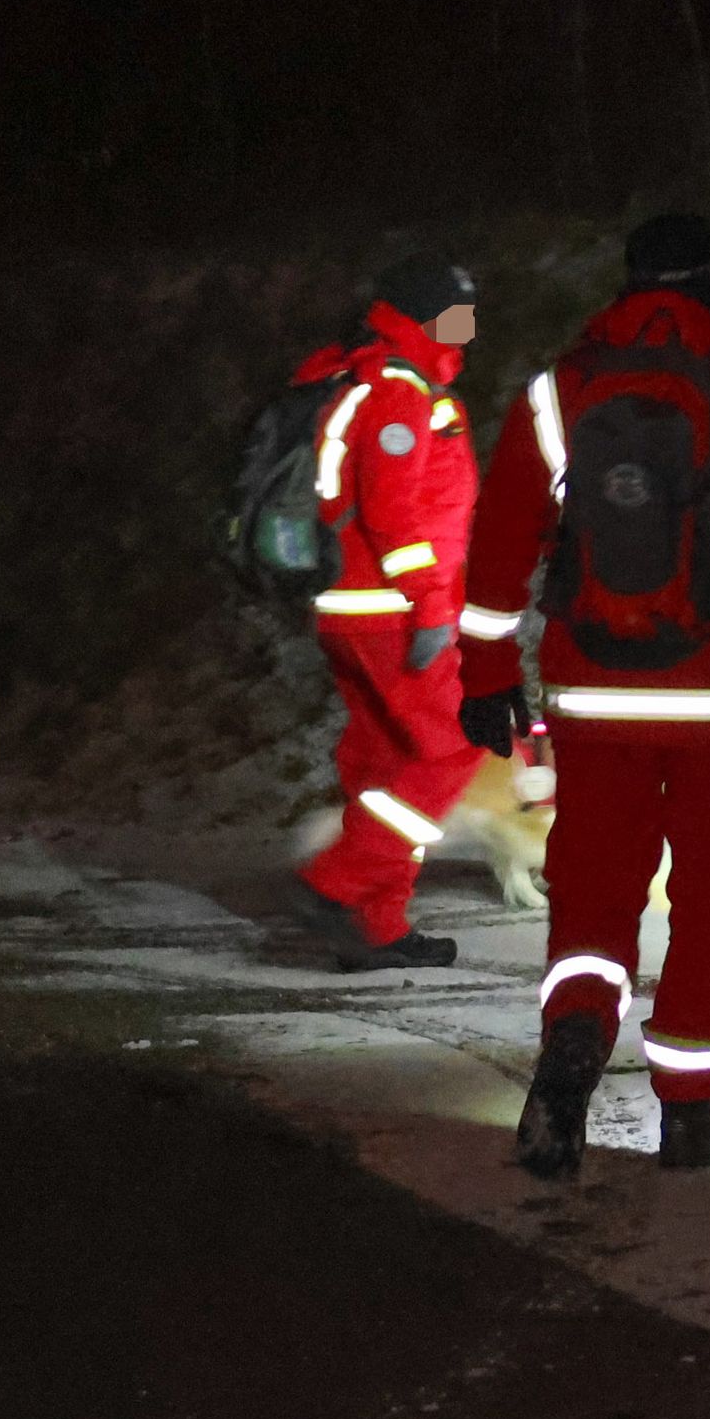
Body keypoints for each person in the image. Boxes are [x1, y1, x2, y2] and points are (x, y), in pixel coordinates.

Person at [456, 213, 710, 1176]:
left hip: (591, 692)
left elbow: (500, 546)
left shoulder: (557, 396)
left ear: (629, 281)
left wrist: (486, 675)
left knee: (594, 883)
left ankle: (573, 1038)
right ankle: (691, 1111)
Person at [286, 256, 486, 971]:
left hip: (353, 609)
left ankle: (376, 927)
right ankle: (335, 885)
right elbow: (392, 514)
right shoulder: (398, 392)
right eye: (458, 314)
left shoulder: (365, 379)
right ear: (425, 315)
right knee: (451, 749)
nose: (469, 328)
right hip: (392, 612)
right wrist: (430, 606)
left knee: (386, 765)